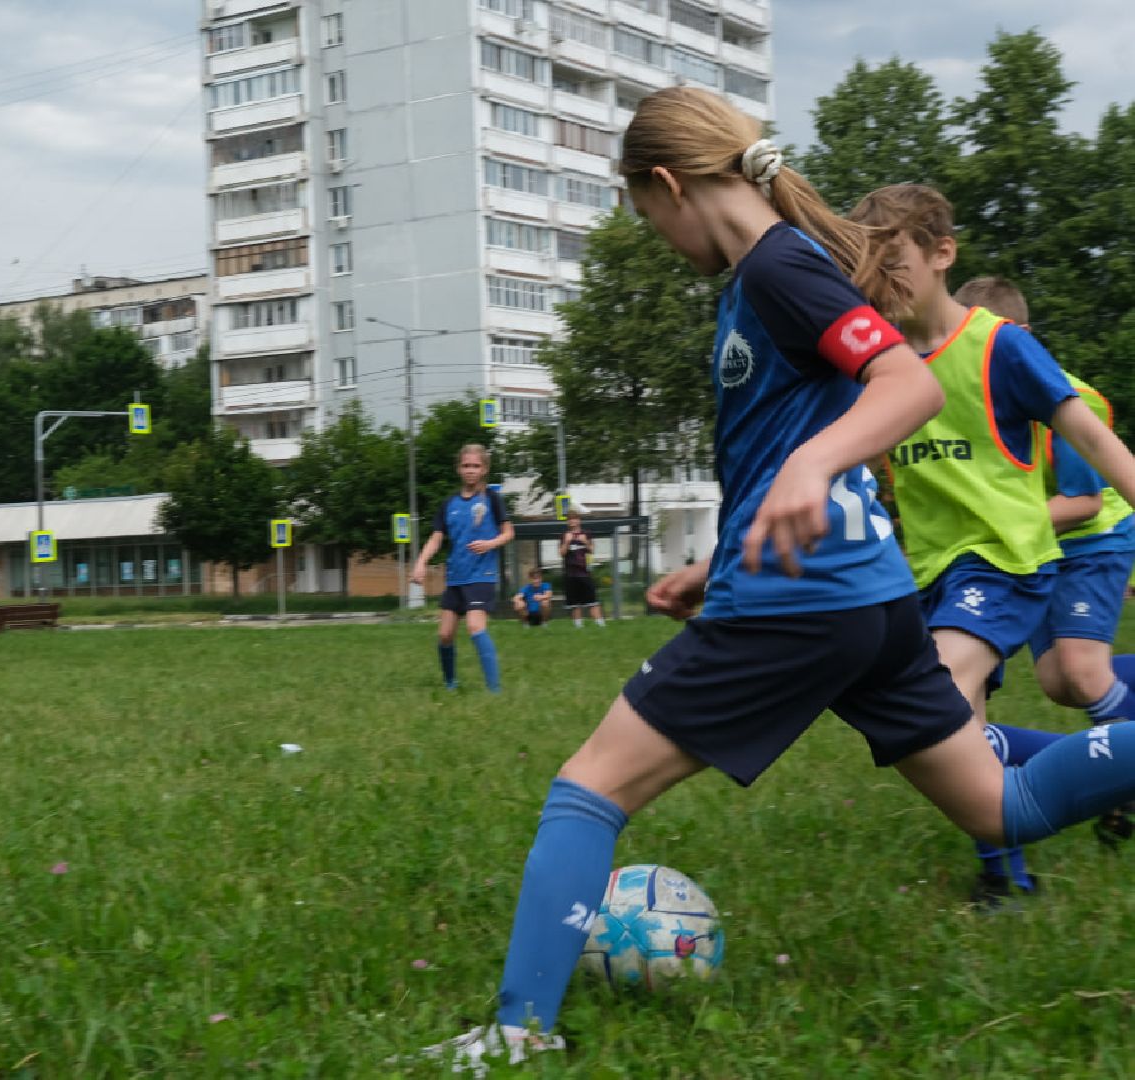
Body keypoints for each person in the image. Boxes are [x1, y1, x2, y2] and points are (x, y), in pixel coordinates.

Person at [416, 87, 1135, 1074]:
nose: (659, 237)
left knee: (586, 790)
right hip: (867, 602)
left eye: (645, 216)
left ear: (667, 185)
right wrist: (717, 559)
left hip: (802, 605)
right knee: (998, 807)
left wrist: (809, 469)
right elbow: (782, 446)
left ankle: (514, 1035)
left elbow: (906, 386)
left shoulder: (777, 267)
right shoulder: (765, 277)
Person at [847, 188, 1135, 903]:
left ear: (942, 254)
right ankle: (1008, 879)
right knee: (953, 736)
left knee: (943, 692)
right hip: (930, 574)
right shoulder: (880, 366)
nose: (881, 281)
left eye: (894, 261)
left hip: (1003, 565)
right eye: (867, 268)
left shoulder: (1000, 346)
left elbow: (1093, 440)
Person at [951, 276, 1135, 885]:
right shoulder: (960, 397)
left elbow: (1085, 502)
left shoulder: (1059, 396)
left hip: (1094, 538)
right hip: (1033, 547)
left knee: (1080, 673)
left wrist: (992, 525)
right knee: (1059, 682)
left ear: (1019, 338)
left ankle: (1119, 785)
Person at [410, 445, 514, 693]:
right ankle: (450, 684)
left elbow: (509, 533)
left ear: (484, 469)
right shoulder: (449, 504)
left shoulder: (492, 499)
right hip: (456, 577)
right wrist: (421, 562)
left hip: (481, 576)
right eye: (466, 465)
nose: (470, 470)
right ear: (458, 469)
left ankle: (495, 691)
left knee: (475, 627)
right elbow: (436, 538)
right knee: (445, 635)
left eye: (476, 466)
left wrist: (490, 543)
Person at [559, 515, 606, 628]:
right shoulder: (564, 535)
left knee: (593, 601)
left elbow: (592, 550)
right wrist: (567, 542)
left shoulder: (586, 534)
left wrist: (585, 542)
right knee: (574, 604)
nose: (572, 521)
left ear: (579, 521)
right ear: (568, 522)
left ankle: (600, 625)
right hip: (570, 574)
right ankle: (578, 627)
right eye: (570, 519)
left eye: (574, 519)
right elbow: (561, 553)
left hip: (585, 574)